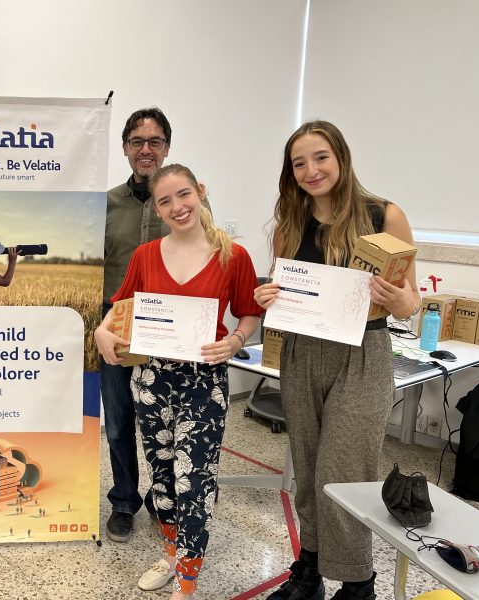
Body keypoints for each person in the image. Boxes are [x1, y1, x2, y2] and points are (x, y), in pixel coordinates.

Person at [255, 120, 419, 600]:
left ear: (341, 157)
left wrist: (396, 297)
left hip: (363, 354)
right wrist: (269, 294)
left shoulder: (384, 216)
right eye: (299, 162)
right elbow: (283, 287)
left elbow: (411, 305)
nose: (311, 170)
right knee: (307, 468)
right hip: (303, 352)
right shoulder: (291, 223)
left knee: (343, 473)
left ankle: (356, 582)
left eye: (320, 157)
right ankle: (308, 571)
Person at [95, 164, 261, 598]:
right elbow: (120, 305)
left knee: (195, 479)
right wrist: (100, 330)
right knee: (164, 475)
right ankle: (172, 551)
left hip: (204, 381)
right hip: (152, 379)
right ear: (157, 208)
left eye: (183, 195)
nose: (177, 206)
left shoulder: (232, 255)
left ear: (199, 192)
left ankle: (188, 576)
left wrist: (237, 339)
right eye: (165, 201)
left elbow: (249, 311)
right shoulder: (146, 255)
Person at [100, 108, 213, 543]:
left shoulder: (190, 204)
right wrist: (102, 327)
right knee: (119, 420)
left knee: (169, 421)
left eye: (156, 141)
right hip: (120, 328)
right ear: (125, 148)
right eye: (137, 141)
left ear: (167, 147)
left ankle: (166, 498)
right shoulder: (105, 204)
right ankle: (125, 500)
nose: (146, 149)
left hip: (176, 333)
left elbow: (214, 258)